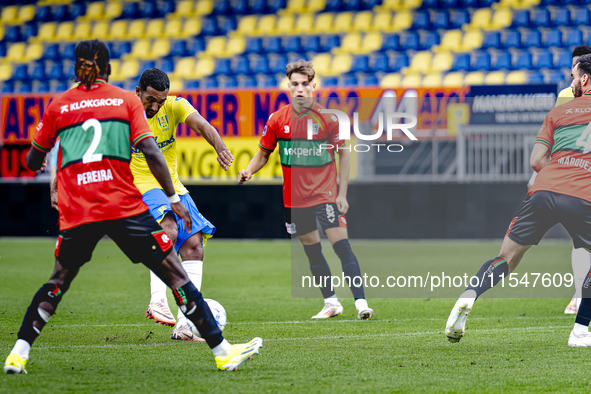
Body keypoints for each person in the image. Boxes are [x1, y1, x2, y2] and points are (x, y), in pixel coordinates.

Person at [4, 39, 261, 374]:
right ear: (109, 70)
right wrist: (171, 199)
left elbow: (36, 156)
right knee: (173, 268)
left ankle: (18, 353)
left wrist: (54, 181)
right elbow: (152, 152)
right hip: (124, 201)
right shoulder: (123, 101)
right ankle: (220, 349)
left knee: (58, 280)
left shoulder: (60, 104)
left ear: (73, 68)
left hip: (83, 204)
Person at [445, 54, 591, 347]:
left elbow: (536, 160)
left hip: (543, 191)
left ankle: (469, 295)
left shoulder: (557, 113)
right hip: (582, 195)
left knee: (506, 259)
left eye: (574, 78)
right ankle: (580, 331)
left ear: (584, 79)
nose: (572, 82)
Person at [237, 60, 374, 320]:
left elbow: (343, 155)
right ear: (288, 86)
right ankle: (331, 302)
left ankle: (361, 303)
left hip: (325, 196)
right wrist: (248, 170)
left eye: (304, 84)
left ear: (313, 86)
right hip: (294, 201)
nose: (299, 89)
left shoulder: (329, 119)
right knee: (312, 251)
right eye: (294, 84)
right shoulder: (277, 119)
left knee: (341, 246)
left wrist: (341, 194)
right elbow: (263, 154)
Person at [130, 68, 233, 342]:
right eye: (150, 99)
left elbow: (202, 125)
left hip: (172, 185)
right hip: (141, 183)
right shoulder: (125, 113)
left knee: (193, 245)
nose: (155, 106)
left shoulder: (174, 106)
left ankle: (185, 325)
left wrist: (219, 146)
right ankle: (157, 299)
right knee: (170, 229)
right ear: (138, 91)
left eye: (160, 101)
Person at [527, 45, 591, 315]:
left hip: (571, 176)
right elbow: (558, 140)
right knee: (581, 243)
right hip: (577, 176)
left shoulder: (568, 93)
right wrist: (537, 174)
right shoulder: (566, 95)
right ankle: (579, 296)